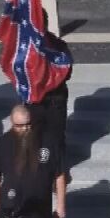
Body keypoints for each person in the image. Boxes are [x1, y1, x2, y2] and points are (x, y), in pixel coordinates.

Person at [0, 105, 68, 218]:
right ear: (12, 122)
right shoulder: (1, 143)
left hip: (40, 206)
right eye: (19, 125)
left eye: (28, 124)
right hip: (11, 205)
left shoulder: (48, 141)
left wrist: (60, 207)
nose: (24, 128)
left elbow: (59, 175)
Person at [28, 10, 74, 160]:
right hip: (34, 101)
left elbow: (66, 71)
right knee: (35, 138)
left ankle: (57, 170)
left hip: (55, 99)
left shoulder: (57, 45)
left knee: (56, 136)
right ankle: (39, 167)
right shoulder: (25, 48)